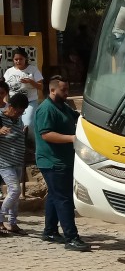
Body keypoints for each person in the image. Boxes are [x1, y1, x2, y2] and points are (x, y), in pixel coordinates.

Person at [34, 75, 89, 251]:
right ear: (52, 90)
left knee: (54, 195)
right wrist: (71, 138)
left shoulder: (63, 107)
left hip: (64, 160)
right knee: (64, 199)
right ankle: (71, 237)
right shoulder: (46, 109)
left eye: (67, 89)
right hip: (51, 161)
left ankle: (50, 231)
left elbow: (78, 118)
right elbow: (46, 134)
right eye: (63, 90)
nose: (67, 93)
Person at [0, 93, 29, 236]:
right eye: (17, 111)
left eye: (22, 112)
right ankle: (1, 217)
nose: (19, 114)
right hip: (4, 163)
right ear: (10, 107)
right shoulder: (0, 117)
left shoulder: (19, 120)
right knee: (15, 190)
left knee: (15, 196)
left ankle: (12, 223)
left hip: (18, 161)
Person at [4, 47, 44, 141]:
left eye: (20, 59)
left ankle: (31, 143)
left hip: (30, 102)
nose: (18, 61)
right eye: (16, 59)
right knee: (13, 125)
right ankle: (19, 143)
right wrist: (6, 102)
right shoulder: (9, 72)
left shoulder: (33, 69)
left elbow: (41, 87)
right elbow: (5, 89)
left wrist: (30, 81)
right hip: (13, 104)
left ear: (25, 58)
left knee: (28, 123)